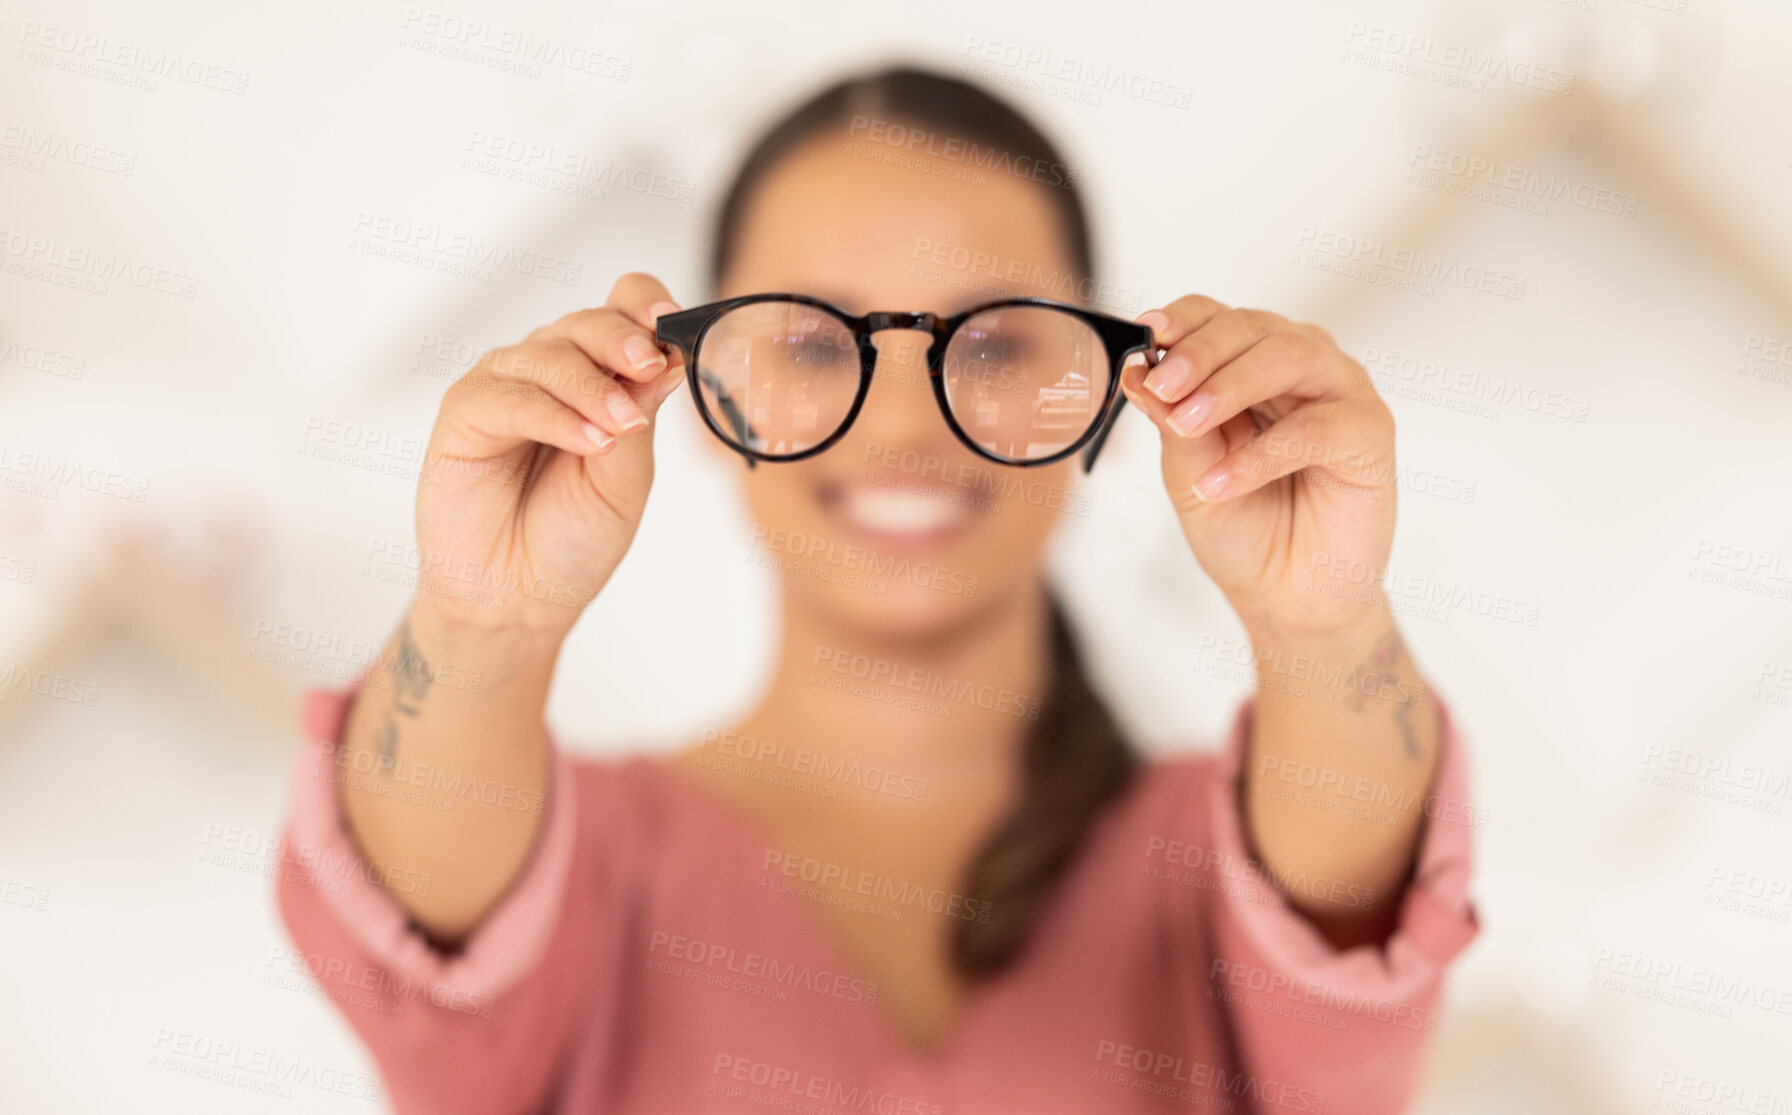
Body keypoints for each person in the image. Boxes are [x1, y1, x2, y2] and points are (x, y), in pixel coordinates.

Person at [276, 65, 1477, 1114]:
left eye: (997, 342)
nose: (903, 423)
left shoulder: (1220, 860)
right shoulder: (573, 856)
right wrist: (482, 620)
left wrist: (1320, 623)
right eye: (809, 340)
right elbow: (422, 926)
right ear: (693, 387)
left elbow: (1354, 926)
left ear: (1111, 391)